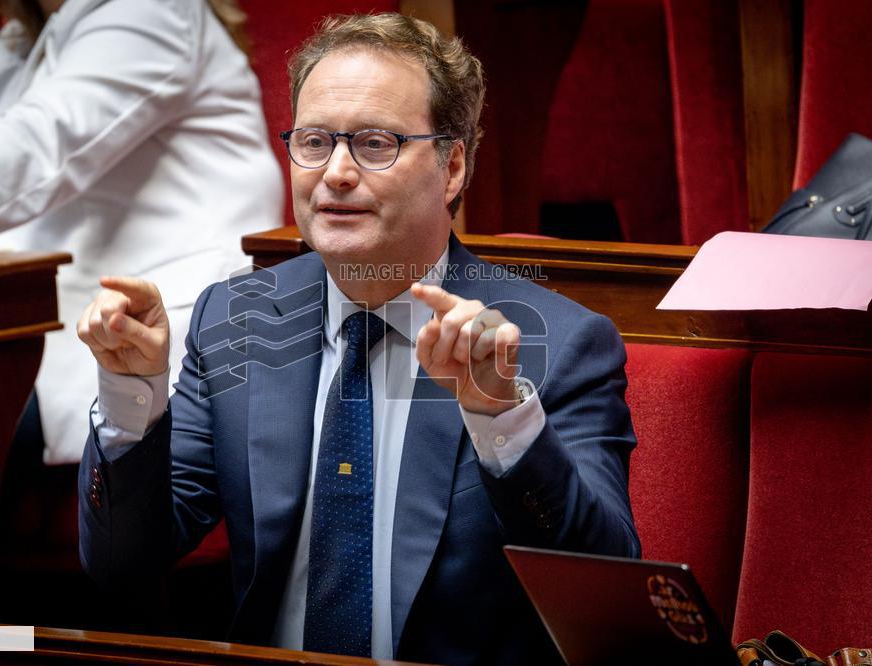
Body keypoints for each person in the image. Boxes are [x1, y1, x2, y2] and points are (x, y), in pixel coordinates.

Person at [76, 12, 640, 664]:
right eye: (314, 142)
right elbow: (122, 564)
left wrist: (501, 416)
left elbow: (605, 603)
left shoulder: (557, 345)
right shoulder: (235, 319)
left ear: (452, 167)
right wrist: (130, 395)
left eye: (375, 143)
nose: (336, 172)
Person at [0, 0, 283, 464]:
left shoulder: (152, 10)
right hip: (52, 317)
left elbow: (28, 154)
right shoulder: (27, 38)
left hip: (161, 327)